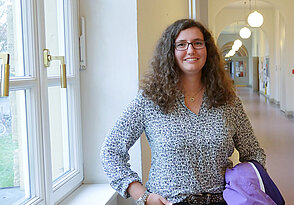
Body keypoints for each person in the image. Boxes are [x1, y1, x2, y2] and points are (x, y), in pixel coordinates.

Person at [101, 19, 266, 205]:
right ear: (170, 52)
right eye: (181, 44)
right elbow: (110, 151)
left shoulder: (228, 101)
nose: (190, 50)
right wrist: (142, 196)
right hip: (169, 202)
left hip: (221, 201)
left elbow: (253, 153)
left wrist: (245, 188)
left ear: (207, 50)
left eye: (197, 43)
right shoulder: (150, 100)